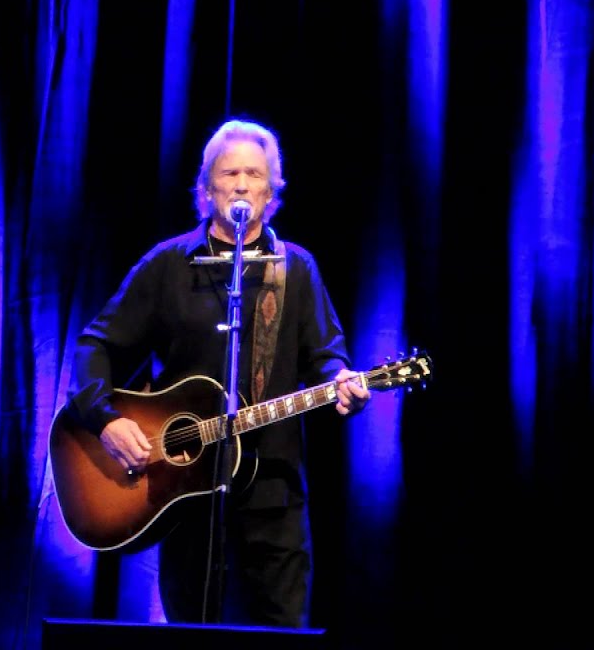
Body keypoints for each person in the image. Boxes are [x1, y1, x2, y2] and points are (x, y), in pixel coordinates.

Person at [63, 117, 370, 628]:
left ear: (272, 191)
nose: (242, 184)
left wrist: (344, 383)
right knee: (190, 632)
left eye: (254, 174)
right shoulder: (169, 264)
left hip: (274, 492)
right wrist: (104, 419)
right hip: (183, 496)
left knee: (283, 630)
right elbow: (97, 345)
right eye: (229, 174)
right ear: (207, 189)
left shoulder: (296, 268)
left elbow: (326, 356)